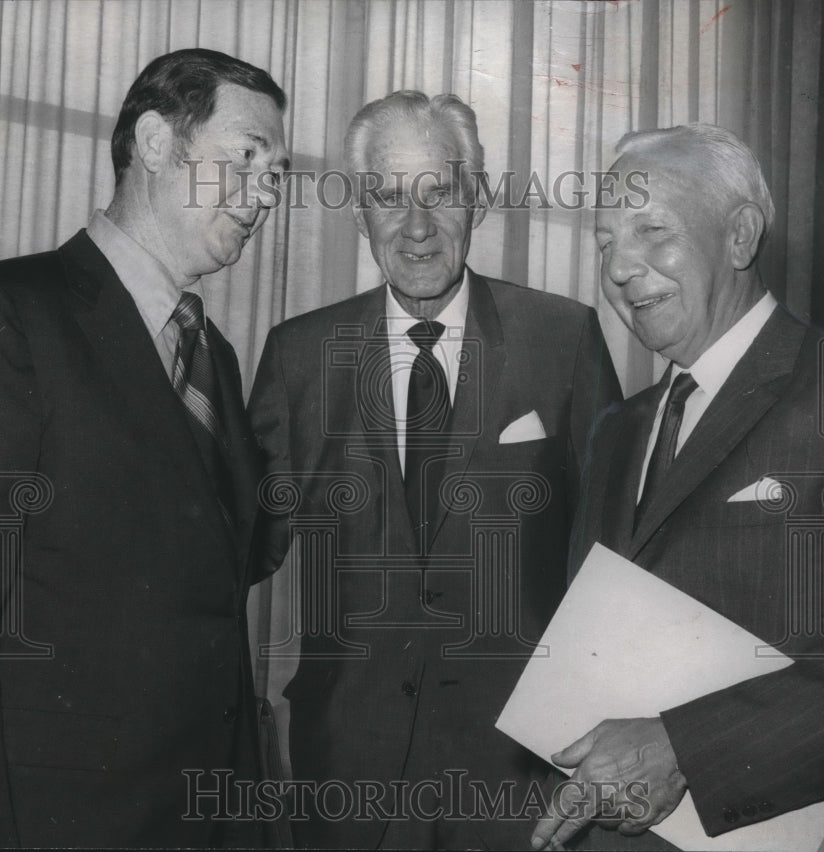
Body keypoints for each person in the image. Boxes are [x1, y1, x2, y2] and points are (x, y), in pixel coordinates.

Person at [0, 48, 289, 847]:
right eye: (246, 159)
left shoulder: (211, 353)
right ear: (154, 142)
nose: (265, 196)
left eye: (277, 174)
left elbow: (207, 569)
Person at [248, 90, 621, 849]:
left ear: (478, 200)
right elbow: (239, 547)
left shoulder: (563, 339)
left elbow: (618, 558)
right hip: (347, 777)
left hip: (519, 778)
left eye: (441, 193)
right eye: (388, 197)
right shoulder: (298, 356)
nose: (416, 229)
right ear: (357, 210)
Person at [531, 124, 824, 851]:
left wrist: (687, 750)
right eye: (605, 244)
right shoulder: (617, 431)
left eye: (652, 230)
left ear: (740, 236)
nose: (620, 270)